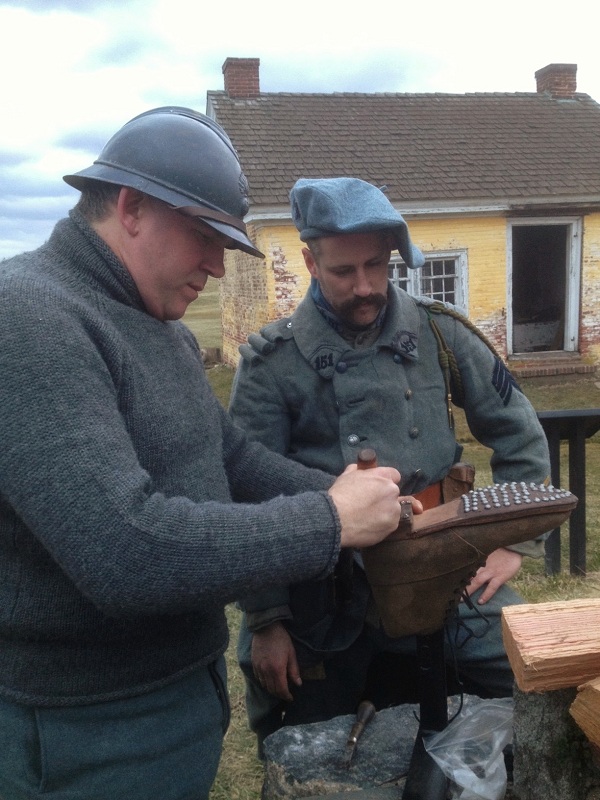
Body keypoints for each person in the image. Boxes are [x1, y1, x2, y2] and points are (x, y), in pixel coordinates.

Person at [0, 115, 408, 800]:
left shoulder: (161, 330)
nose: (218, 266)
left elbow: (235, 461)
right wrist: (330, 521)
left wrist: (361, 500)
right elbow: (122, 550)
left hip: (172, 701)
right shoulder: (30, 318)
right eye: (204, 237)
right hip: (82, 732)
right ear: (131, 207)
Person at [229, 176, 552, 754]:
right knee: (305, 741)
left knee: (539, 678)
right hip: (319, 590)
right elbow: (247, 496)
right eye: (343, 272)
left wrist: (510, 544)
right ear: (309, 261)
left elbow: (517, 430)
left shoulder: (438, 333)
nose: (365, 286)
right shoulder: (270, 364)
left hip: (440, 565)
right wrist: (267, 621)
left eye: (377, 266)